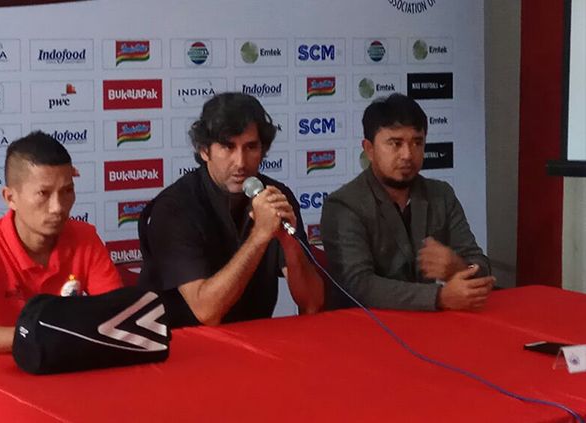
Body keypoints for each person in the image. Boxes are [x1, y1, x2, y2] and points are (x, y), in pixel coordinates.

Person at [138, 92, 324, 328]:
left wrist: (290, 243)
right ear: (205, 151)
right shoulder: (174, 207)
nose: (240, 162)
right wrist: (259, 236)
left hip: (256, 340)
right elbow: (206, 313)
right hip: (183, 349)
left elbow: (312, 303)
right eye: (228, 147)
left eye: (251, 147)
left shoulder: (275, 197)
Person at [0, 131, 122, 353]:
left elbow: (118, 319)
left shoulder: (85, 238)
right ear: (10, 198)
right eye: (43, 194)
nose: (58, 207)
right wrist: (38, 333)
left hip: (63, 371)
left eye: (67, 191)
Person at [320, 93, 494, 311]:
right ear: (369, 149)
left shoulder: (441, 195)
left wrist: (458, 267)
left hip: (433, 326)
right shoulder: (344, 204)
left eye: (417, 143)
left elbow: (481, 264)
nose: (407, 155)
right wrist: (438, 297)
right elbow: (359, 286)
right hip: (368, 330)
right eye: (395, 143)